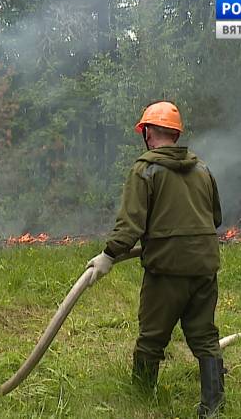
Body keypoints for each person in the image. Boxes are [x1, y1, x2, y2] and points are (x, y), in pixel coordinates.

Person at [85, 101, 225, 418]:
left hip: (167, 269)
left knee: (151, 339)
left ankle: (141, 400)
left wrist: (108, 255)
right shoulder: (203, 169)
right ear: (176, 134)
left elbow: (130, 224)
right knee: (204, 336)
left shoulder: (145, 170)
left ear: (147, 133)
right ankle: (214, 406)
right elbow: (215, 218)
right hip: (204, 266)